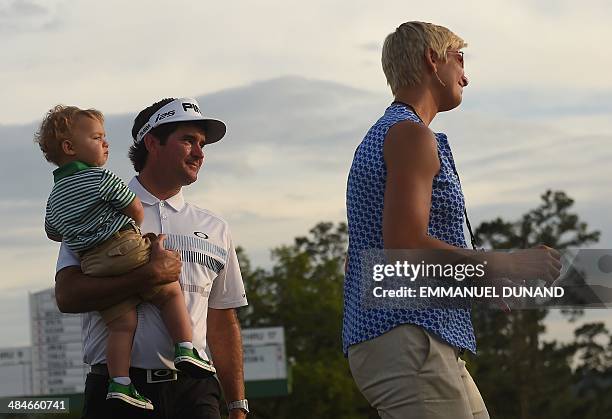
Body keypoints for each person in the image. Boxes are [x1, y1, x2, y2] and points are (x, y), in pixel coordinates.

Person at [344, 22, 560, 418]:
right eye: (459, 59)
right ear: (432, 60)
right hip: (408, 336)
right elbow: (405, 248)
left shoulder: (393, 133)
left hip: (416, 337)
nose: (466, 75)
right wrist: (510, 262)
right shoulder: (410, 135)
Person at [54, 97, 249, 419]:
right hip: (117, 393)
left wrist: (238, 405)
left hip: (196, 393)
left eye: (202, 144)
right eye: (188, 140)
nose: (200, 153)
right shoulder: (96, 206)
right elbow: (67, 296)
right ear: (152, 142)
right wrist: (146, 276)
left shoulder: (215, 227)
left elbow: (222, 321)